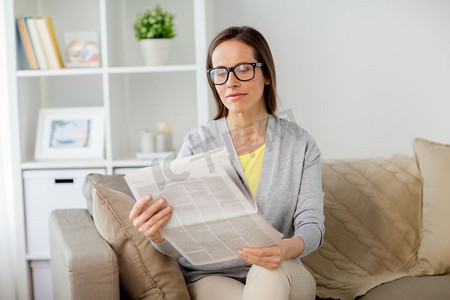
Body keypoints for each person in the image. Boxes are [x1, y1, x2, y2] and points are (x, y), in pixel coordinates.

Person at [129, 26, 325, 300]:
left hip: (282, 268)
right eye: (220, 72)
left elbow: (312, 225)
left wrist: (284, 249)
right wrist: (158, 235)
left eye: (243, 69)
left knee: (270, 273)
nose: (230, 82)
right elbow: (177, 246)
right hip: (212, 277)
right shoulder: (197, 145)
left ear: (266, 74)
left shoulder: (300, 145)